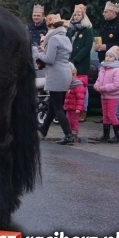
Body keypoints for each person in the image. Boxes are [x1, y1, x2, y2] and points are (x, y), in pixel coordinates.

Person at [36, 14, 74, 144]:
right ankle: (43, 129)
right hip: (65, 72)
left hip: (56, 74)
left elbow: (49, 59)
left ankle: (68, 134)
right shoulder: (66, 38)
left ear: (52, 28)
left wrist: (39, 53)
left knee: (57, 106)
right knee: (53, 105)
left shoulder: (54, 39)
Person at [66, 3, 93, 121]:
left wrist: (76, 58)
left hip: (80, 62)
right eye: (75, 14)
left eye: (79, 14)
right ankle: (71, 109)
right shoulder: (71, 30)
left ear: (83, 16)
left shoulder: (87, 29)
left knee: (82, 86)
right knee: (71, 85)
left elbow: (87, 46)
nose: (76, 16)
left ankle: (83, 109)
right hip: (69, 61)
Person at [91, 48, 119, 143]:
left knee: (111, 115)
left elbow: (117, 84)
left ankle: (118, 136)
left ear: (115, 58)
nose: (108, 58)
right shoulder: (103, 69)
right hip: (103, 95)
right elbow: (98, 80)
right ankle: (106, 135)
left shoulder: (117, 70)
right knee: (105, 115)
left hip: (113, 96)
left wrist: (104, 88)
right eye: (107, 56)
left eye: (110, 56)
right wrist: (96, 86)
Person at [62, 63, 86, 144]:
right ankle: (69, 133)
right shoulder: (70, 85)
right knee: (68, 120)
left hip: (75, 108)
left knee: (74, 121)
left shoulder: (78, 85)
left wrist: (79, 108)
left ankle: (75, 134)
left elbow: (80, 98)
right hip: (69, 107)